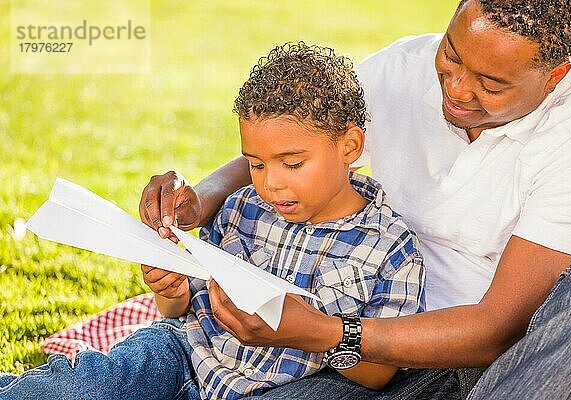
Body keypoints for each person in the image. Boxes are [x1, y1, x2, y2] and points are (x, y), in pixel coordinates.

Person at [140, 0, 571, 399]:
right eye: (452, 55)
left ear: (556, 74)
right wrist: (200, 198)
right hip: (342, 310)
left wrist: (326, 335)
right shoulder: (403, 68)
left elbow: (495, 329)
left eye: (491, 84)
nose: (457, 89)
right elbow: (298, 140)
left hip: (439, 361)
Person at [0, 43, 426, 399]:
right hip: (184, 351)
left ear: (350, 147)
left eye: (292, 164)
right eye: (256, 164)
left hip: (281, 385)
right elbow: (181, 310)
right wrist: (170, 289)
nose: (271, 185)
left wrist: (305, 332)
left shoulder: (391, 246)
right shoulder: (241, 207)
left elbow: (378, 375)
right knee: (78, 387)